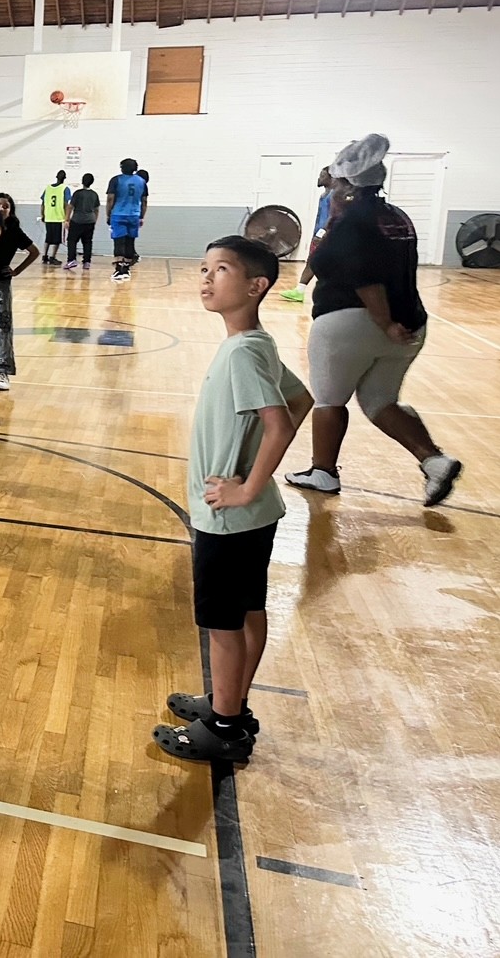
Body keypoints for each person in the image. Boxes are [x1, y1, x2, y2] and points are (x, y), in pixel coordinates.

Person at [153, 236, 311, 763]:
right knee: (247, 611)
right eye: (204, 268)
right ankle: (231, 705)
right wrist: (254, 483)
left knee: (222, 624)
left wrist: (246, 485)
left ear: (255, 286)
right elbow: (302, 398)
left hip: (228, 515)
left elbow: (280, 424)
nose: (206, 278)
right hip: (251, 515)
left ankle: (223, 729)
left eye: (220, 269)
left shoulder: (243, 352)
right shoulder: (255, 344)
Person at [284, 134, 462, 507]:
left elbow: (364, 276)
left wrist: (384, 323)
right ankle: (435, 461)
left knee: (330, 399)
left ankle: (323, 472)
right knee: (381, 401)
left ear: (349, 184)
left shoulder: (351, 222)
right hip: (411, 323)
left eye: (336, 179)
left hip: (353, 321)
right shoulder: (396, 217)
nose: (330, 185)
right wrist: (393, 325)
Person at [0, 193, 40, 392]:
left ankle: (3, 371)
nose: (1, 208)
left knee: (2, 326)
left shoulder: (14, 230)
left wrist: (17, 270)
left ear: (10, 211)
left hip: (1, 281)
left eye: (5, 206)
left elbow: (34, 252)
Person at [280, 167, 335, 304]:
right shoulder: (324, 195)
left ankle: (309, 290)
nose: (319, 178)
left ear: (331, 178)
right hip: (319, 233)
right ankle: (300, 290)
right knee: (312, 261)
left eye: (322, 175)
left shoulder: (334, 195)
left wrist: (322, 232)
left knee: (317, 262)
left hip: (327, 235)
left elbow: (332, 216)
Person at [107, 158, 148, 281]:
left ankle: (119, 270)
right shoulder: (142, 182)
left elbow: (110, 199)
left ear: (122, 168)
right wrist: (142, 216)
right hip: (134, 215)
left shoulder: (116, 180)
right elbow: (144, 201)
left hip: (118, 214)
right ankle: (127, 269)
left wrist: (108, 214)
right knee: (130, 242)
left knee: (119, 242)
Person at [64, 173, 99, 271]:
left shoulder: (77, 193)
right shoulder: (94, 194)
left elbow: (70, 207)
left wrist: (67, 219)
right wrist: (94, 220)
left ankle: (71, 260)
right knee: (87, 242)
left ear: (82, 181)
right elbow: (96, 209)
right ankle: (87, 262)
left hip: (77, 220)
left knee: (72, 240)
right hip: (90, 221)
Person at [39, 170, 68, 266]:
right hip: (58, 217)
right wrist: (67, 217)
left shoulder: (48, 188)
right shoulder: (64, 188)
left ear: (56, 177)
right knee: (57, 239)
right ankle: (52, 257)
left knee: (48, 237)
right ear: (64, 178)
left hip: (48, 216)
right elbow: (66, 204)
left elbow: (43, 203)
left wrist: (42, 214)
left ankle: (44, 256)